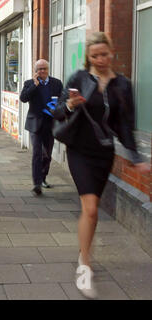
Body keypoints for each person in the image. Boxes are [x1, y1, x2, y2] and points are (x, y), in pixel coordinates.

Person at [53, 32, 150, 299]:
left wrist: (136, 157)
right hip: (79, 151)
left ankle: (83, 249)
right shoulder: (78, 78)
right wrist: (70, 104)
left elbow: (125, 125)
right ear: (89, 57)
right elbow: (58, 111)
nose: (100, 59)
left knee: (91, 212)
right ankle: (85, 266)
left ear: (111, 52)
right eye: (95, 56)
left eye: (104, 54)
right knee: (92, 208)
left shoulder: (122, 85)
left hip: (103, 153)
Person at [20, 59, 63, 196]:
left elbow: (62, 100)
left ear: (48, 69)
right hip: (35, 123)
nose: (42, 71)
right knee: (37, 153)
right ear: (35, 71)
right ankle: (37, 184)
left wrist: (57, 109)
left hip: (50, 123)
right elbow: (23, 98)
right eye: (39, 69)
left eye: (44, 69)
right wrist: (35, 85)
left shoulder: (57, 83)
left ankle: (43, 176)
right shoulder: (30, 83)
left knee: (47, 154)